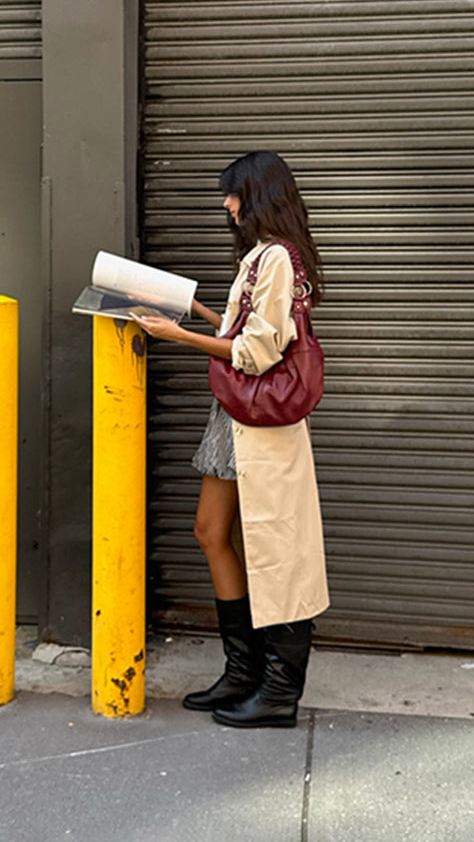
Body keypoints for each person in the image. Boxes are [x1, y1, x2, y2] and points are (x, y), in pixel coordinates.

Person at [132, 150, 329, 729]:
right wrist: (194, 311)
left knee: (279, 550)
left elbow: (258, 352)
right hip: (234, 415)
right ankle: (242, 673)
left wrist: (180, 337)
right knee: (210, 531)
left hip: (263, 422)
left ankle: (277, 693)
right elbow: (245, 332)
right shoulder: (261, 258)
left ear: (258, 194)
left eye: (233, 193)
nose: (226, 204)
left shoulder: (278, 258)